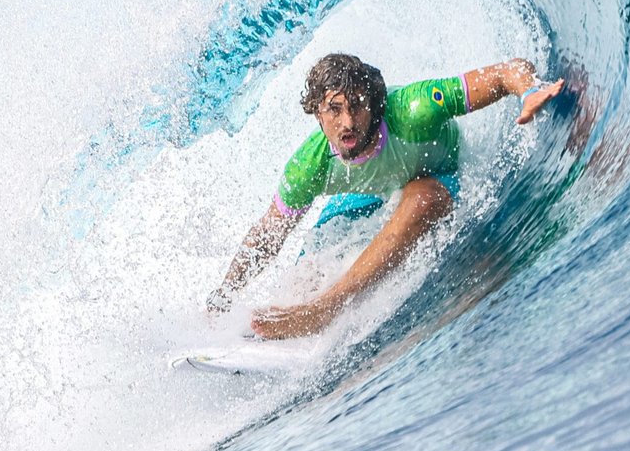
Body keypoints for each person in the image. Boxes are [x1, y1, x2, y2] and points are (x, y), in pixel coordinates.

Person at [207, 53, 565, 339]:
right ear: (317, 112)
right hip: (369, 195)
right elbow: (267, 236)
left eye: (358, 106)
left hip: (431, 175)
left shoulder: (414, 109)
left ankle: (326, 308)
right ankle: (267, 326)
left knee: (422, 198)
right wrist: (222, 298)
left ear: (374, 104)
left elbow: (505, 72)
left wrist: (530, 90)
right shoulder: (309, 164)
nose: (347, 122)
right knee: (313, 264)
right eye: (334, 109)